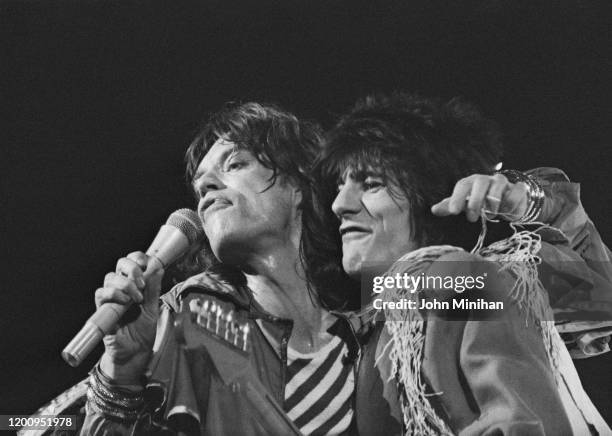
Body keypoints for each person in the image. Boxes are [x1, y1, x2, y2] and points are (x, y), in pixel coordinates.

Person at [316, 92, 612, 435]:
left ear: (435, 198)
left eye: (371, 184)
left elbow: (602, 303)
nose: (339, 204)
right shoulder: (370, 310)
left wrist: (531, 200)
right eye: (339, 186)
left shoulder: (462, 280)